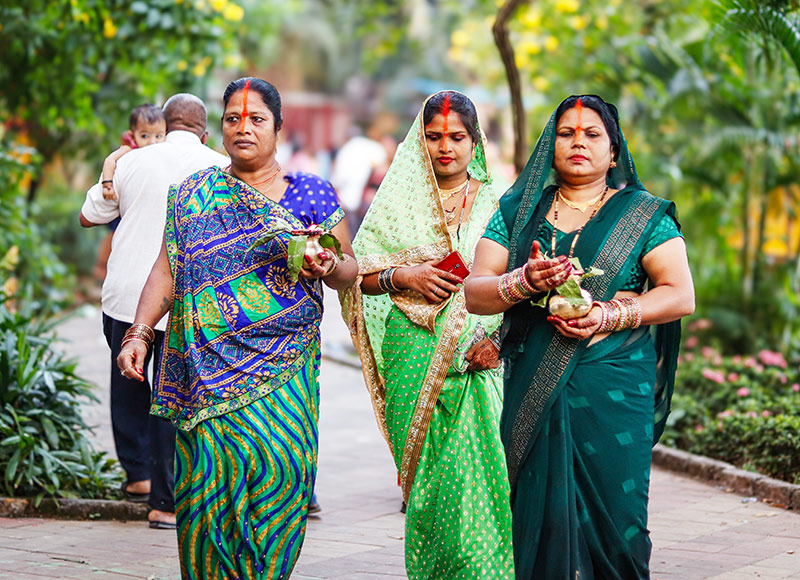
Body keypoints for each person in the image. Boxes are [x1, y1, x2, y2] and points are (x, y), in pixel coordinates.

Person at [116, 77, 357, 579]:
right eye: (232, 119)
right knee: (207, 498)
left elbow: (350, 271)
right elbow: (166, 267)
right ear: (220, 128)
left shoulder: (309, 193)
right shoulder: (193, 193)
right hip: (205, 376)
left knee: (280, 487)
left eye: (256, 119)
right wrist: (139, 332)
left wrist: (325, 263)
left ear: (278, 128)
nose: (242, 128)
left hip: (283, 375)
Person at [464, 95, 695, 579]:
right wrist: (523, 280)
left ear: (614, 151)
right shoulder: (520, 209)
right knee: (535, 514)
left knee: (619, 519)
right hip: (533, 383)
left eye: (592, 134)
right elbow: (475, 293)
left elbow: (678, 295)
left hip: (612, 386)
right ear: (552, 146)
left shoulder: (643, 215)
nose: (578, 143)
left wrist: (609, 313)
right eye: (567, 133)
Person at [341, 91, 514, 579]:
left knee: (482, 475)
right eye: (434, 136)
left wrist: (497, 343)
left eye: (457, 137)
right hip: (411, 353)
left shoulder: (503, 200)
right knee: (429, 485)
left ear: (474, 141)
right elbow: (359, 275)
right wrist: (407, 276)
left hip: (479, 352)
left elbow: (521, 282)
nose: (445, 148)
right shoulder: (398, 197)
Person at [79, 94, 229, 530]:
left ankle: (138, 477)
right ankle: (165, 503)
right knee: (173, 396)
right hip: (186, 302)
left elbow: (90, 216)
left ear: (164, 124)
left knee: (127, 385)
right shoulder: (221, 168)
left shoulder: (133, 161)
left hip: (126, 297)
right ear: (204, 133)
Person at [329, 124, 388, 236]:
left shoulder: (351, 147)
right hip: (364, 203)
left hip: (349, 201)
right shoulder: (375, 149)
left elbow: (339, 177)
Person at [100, 104, 167, 200]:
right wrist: (107, 185)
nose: (152, 142)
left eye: (158, 136)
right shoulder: (129, 149)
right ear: (132, 136)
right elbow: (110, 160)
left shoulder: (165, 151)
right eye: (144, 136)